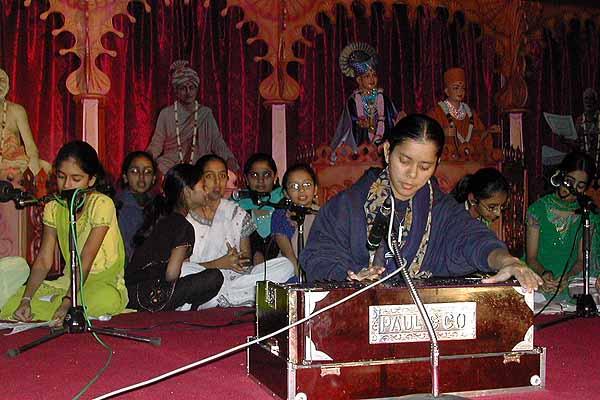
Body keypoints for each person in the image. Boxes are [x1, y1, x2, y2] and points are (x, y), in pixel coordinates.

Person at [300, 114, 541, 291]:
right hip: (354, 313)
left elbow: (473, 238)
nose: (412, 174)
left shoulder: (441, 209)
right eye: (404, 160)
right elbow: (318, 256)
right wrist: (350, 276)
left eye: (425, 166)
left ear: (436, 165)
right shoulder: (347, 206)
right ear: (387, 152)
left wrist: (507, 260)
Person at [0, 141, 128, 325]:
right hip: (69, 282)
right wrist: (26, 300)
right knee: (13, 303)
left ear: (91, 180)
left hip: (101, 283)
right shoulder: (53, 206)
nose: (67, 185)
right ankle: (49, 309)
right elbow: (44, 260)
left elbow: (86, 259)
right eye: (61, 177)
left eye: (76, 179)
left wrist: (68, 302)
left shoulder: (101, 204)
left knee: (103, 299)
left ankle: (59, 309)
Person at [181, 154, 294, 309]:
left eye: (222, 176)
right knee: (183, 270)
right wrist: (220, 264)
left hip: (235, 279)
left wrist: (238, 260)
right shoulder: (186, 217)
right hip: (202, 279)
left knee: (285, 266)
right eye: (209, 176)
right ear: (199, 180)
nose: (217, 182)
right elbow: (182, 265)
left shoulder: (237, 212)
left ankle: (225, 297)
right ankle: (236, 297)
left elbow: (246, 262)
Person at [125, 164, 223, 312]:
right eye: (203, 186)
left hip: (129, 294)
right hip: (152, 295)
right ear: (187, 192)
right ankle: (182, 306)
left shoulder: (162, 219)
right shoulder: (183, 225)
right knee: (215, 277)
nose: (207, 191)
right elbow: (171, 274)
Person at [146, 60, 239, 175]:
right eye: (183, 88)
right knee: (159, 168)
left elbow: (217, 141)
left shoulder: (205, 113)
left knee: (214, 170)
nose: (188, 92)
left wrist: (229, 159)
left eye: (191, 87)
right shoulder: (166, 114)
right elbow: (157, 143)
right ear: (176, 91)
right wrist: (146, 160)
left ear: (197, 89)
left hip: (200, 165)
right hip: (171, 164)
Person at [525, 151, 597, 293]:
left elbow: (582, 260)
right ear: (559, 176)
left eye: (580, 186)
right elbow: (531, 258)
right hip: (539, 280)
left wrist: (568, 277)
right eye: (569, 182)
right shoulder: (537, 210)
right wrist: (544, 274)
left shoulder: (587, 215)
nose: (572, 189)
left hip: (572, 283)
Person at [330, 42, 404, 155]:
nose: (372, 79)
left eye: (374, 75)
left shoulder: (383, 98)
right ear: (359, 80)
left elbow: (391, 119)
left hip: (383, 146)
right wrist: (363, 125)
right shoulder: (353, 101)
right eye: (367, 76)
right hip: (360, 147)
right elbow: (351, 125)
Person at [428, 67, 500, 155]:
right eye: (456, 88)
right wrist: (444, 132)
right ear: (447, 91)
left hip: (469, 162)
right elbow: (428, 136)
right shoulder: (437, 113)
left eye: (463, 88)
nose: (460, 91)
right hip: (447, 163)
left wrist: (487, 132)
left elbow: (477, 136)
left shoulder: (470, 113)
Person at [0, 67, 50, 183]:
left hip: (16, 165)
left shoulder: (17, 111)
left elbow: (30, 146)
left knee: (46, 169)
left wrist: (34, 173)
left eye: (2, 81)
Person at [271, 163, 320, 274]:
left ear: (315, 189)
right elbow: (288, 253)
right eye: (294, 186)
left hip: (317, 267)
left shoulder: (323, 214)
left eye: (307, 185)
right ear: (286, 193)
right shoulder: (280, 216)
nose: (301, 190)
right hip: (289, 269)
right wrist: (300, 276)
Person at [237, 153, 284, 265]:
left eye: (266, 175)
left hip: (280, 263)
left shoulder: (284, 201)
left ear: (275, 177)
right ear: (246, 179)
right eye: (254, 175)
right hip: (249, 266)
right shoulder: (238, 206)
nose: (260, 180)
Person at [115, 151, 157, 260]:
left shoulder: (159, 206)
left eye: (148, 172)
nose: (141, 177)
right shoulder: (118, 206)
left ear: (154, 179)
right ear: (125, 177)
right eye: (134, 171)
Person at [576, 88, 600, 185]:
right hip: (585, 166)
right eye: (586, 99)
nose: (588, 102)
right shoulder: (579, 120)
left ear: (595, 101)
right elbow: (576, 143)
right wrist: (564, 140)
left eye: (591, 99)